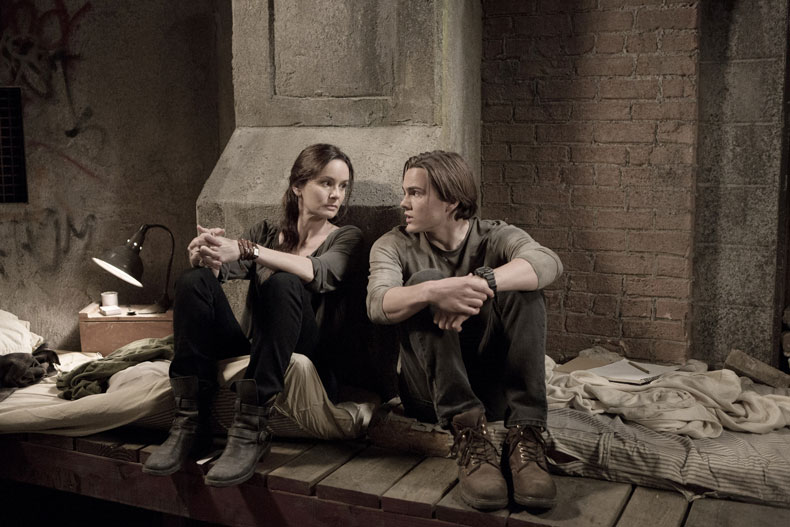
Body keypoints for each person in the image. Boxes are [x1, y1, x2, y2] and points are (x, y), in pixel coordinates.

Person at [143, 143, 363, 487]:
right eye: (326, 183)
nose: (337, 195)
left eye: (343, 186)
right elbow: (224, 271)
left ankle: (251, 427)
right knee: (193, 281)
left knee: (285, 282)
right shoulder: (266, 232)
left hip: (311, 359)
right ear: (298, 186)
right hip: (257, 348)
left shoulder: (346, 237)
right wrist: (205, 256)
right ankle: (189, 420)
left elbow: (319, 272)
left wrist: (248, 250)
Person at [366, 150, 563, 510]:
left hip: (494, 394)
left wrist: (480, 282)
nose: (403, 202)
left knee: (525, 289)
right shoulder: (394, 244)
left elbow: (548, 262)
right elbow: (378, 304)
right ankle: (470, 434)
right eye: (405, 192)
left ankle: (526, 432)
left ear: (451, 200)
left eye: (415, 193)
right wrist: (434, 291)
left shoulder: (495, 236)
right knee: (423, 282)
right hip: (430, 395)